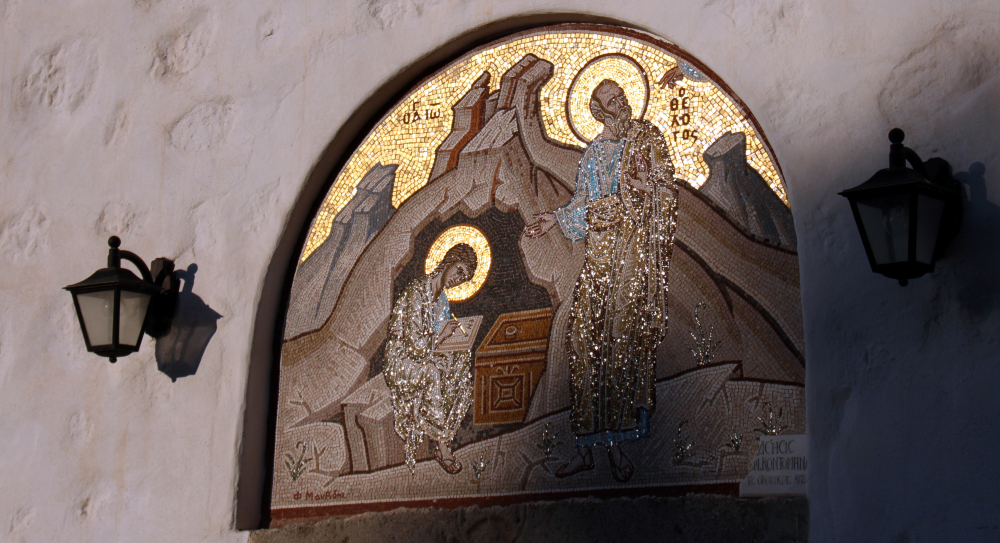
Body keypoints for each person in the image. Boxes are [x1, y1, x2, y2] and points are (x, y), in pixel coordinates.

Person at [524, 79, 678, 482]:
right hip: (599, 262)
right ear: (597, 112)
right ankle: (587, 448)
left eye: (622, 97)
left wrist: (645, 190)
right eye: (612, 102)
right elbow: (585, 205)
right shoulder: (593, 155)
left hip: (630, 263)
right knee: (584, 345)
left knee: (620, 345)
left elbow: (663, 196)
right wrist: (555, 219)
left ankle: (617, 449)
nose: (622, 105)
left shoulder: (645, 141)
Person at [383, 243, 478, 475]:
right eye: (459, 271)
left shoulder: (441, 300)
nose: (458, 279)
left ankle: (446, 429)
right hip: (401, 359)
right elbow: (415, 346)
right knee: (432, 373)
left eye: (463, 278)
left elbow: (436, 340)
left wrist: (455, 339)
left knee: (460, 363)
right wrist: (443, 336)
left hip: (423, 353)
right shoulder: (417, 292)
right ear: (449, 261)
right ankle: (442, 446)